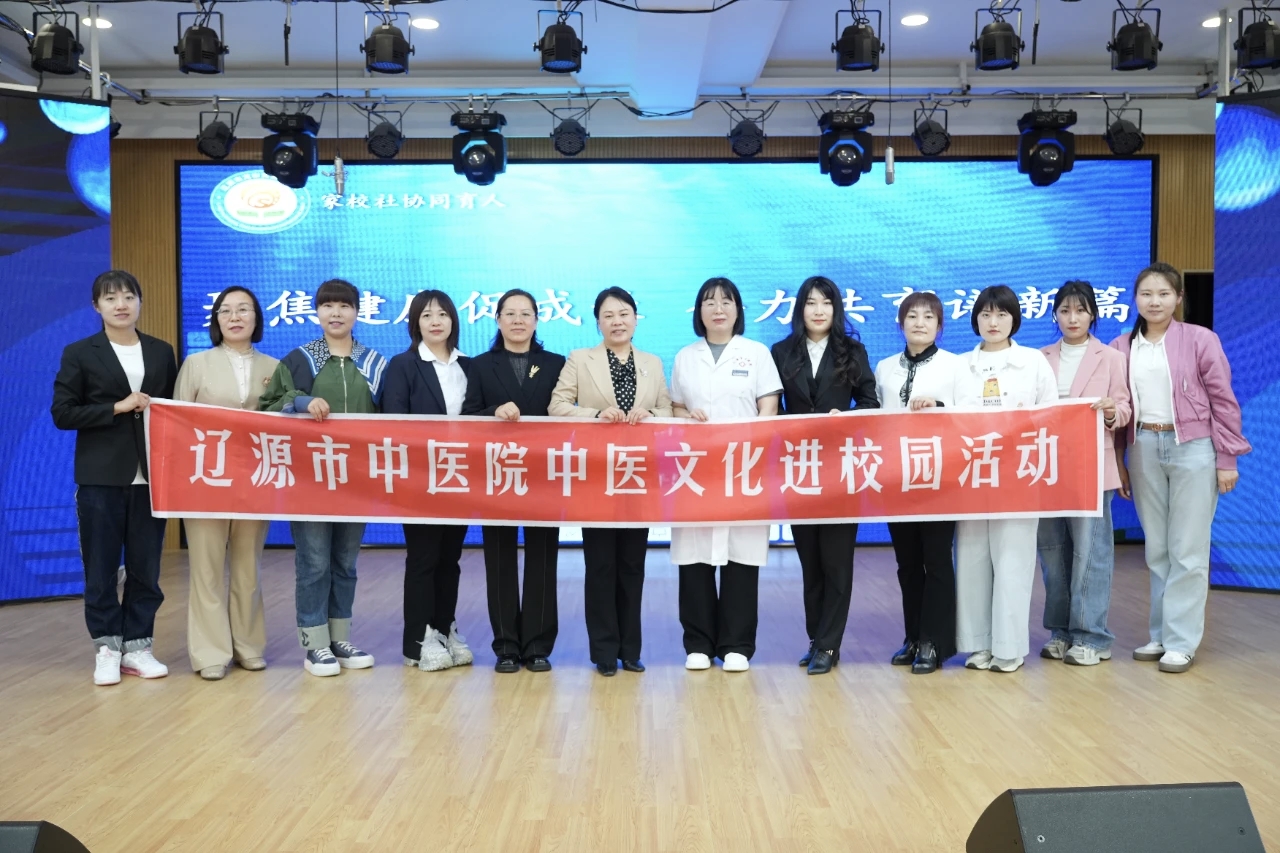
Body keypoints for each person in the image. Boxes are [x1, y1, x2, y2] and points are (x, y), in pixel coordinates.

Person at [1112, 263, 1249, 673]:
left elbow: (1223, 401)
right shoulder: (1121, 346)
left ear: (1178, 298)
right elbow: (1118, 407)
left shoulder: (1200, 339)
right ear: (1135, 299)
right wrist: (1119, 463)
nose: (1154, 301)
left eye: (1163, 294)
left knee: (1187, 549)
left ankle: (1181, 641)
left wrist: (1226, 459)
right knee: (1157, 549)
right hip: (1142, 446)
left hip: (1194, 447)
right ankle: (1160, 635)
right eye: (1146, 294)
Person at [51, 270, 178, 686]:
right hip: (101, 476)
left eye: (128, 296)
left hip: (153, 477)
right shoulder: (80, 352)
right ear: (96, 306)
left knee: (145, 568)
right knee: (102, 567)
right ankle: (107, 647)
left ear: (140, 301)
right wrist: (116, 407)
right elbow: (63, 413)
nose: (120, 305)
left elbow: (174, 411)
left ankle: (138, 646)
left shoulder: (161, 351)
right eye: (110, 298)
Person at [259, 279, 387, 677]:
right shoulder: (299, 360)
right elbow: (268, 405)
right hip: (310, 480)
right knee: (314, 562)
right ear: (316, 312)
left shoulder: (375, 364)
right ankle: (314, 643)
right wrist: (301, 401)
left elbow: (395, 418)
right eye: (328, 305)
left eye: (344, 306)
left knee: (345, 562)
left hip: (356, 480)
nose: (336, 313)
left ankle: (339, 638)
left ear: (357, 313)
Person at [550, 286, 673, 677]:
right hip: (596, 476)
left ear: (635, 319)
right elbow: (557, 406)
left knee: (633, 565)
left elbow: (667, 409)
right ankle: (604, 651)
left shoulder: (652, 362)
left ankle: (630, 650)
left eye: (624, 314)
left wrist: (651, 414)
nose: (617, 321)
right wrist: (594, 414)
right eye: (608, 315)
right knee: (601, 565)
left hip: (638, 475)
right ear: (598, 322)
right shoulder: (579, 359)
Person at [670, 277, 783, 674]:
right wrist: (688, 416)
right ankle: (698, 643)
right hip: (696, 471)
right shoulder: (685, 357)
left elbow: (769, 405)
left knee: (741, 555)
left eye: (726, 301)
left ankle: (737, 644)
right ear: (699, 312)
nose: (718, 308)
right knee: (694, 557)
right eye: (709, 302)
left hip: (743, 468)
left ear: (738, 310)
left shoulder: (756, 354)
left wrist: (751, 441)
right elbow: (676, 407)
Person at [770, 276, 878, 675]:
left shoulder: (853, 350)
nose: (818, 311)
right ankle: (816, 639)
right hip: (798, 469)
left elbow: (870, 402)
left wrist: (844, 417)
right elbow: (772, 408)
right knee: (810, 562)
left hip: (840, 469)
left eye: (826, 303)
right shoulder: (781, 352)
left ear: (836, 309)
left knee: (837, 562)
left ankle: (830, 645)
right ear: (800, 309)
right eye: (811, 303)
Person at [174, 286, 278, 680]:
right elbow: (177, 426)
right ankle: (210, 653)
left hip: (255, 481)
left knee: (248, 566)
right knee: (206, 569)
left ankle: (248, 646)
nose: (235, 317)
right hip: (205, 481)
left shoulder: (275, 366)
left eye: (243, 310)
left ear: (256, 318)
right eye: (226, 310)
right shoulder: (196, 364)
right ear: (216, 319)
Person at [955, 284, 1058, 673]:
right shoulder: (959, 365)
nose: (993, 322)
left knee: (1013, 559)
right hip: (970, 477)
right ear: (975, 320)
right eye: (985, 314)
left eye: (1001, 314)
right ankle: (977, 644)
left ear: (1015, 319)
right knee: (972, 559)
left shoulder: (1033, 362)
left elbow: (1052, 417)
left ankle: (1009, 647)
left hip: (1018, 476)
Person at [462, 288, 566, 674]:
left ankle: (538, 645)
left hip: (544, 474)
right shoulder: (479, 365)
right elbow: (467, 415)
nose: (518, 320)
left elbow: (565, 413)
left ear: (537, 320)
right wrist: (493, 411)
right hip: (498, 474)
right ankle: (506, 645)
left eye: (526, 313)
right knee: (499, 559)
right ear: (498, 320)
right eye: (510, 313)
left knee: (543, 559)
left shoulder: (556, 364)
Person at [1036, 282, 1131, 667]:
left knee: (1091, 552)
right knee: (1053, 552)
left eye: (1080, 310)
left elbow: (1124, 409)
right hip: (1045, 468)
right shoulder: (1039, 358)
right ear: (1055, 315)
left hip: (1093, 467)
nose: (1072, 318)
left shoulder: (1111, 357)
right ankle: (1060, 632)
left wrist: (1110, 412)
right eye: (1065, 310)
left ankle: (1092, 636)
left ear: (1093, 314)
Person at [382, 290, 475, 673]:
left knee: (450, 559)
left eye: (442, 314)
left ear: (454, 320)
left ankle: (443, 628)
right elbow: (394, 422)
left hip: (459, 476)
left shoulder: (469, 365)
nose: (435, 321)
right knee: (423, 558)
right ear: (415, 323)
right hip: (420, 479)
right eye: (426, 315)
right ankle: (417, 641)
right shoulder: (403, 365)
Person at [874, 291, 964, 675]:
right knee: (907, 563)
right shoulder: (884, 368)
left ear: (939, 325)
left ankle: (934, 641)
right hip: (898, 477)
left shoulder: (955, 366)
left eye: (928, 317)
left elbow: (970, 414)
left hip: (940, 475)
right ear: (901, 324)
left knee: (937, 559)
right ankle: (912, 637)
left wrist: (939, 407)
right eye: (912, 316)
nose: (920, 323)